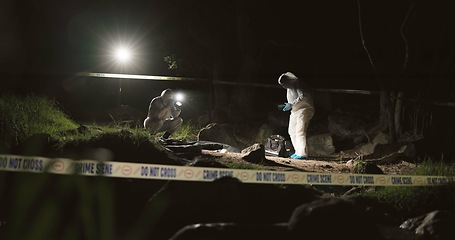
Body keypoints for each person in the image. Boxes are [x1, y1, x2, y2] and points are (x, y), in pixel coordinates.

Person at [278, 72, 314, 160]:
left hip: (304, 109)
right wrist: (289, 105)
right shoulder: (290, 87)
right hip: (295, 110)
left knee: (300, 131)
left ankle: (302, 153)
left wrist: (291, 104)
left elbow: (302, 96)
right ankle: (297, 151)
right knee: (292, 131)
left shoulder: (298, 84)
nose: (283, 86)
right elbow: (293, 99)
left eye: (283, 84)